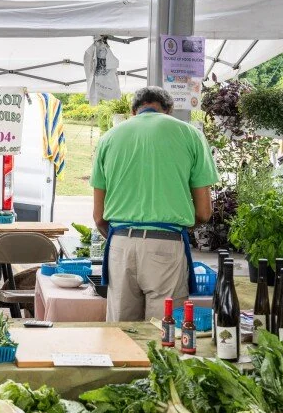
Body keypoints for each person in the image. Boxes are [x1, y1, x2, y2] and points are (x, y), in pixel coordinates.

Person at [91, 86, 218, 321]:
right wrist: (179, 229)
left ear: (132, 111)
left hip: (120, 244)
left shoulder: (108, 138)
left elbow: (98, 217)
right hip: (167, 245)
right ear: (168, 111)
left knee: (122, 336)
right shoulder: (189, 134)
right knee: (163, 335)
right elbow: (203, 211)